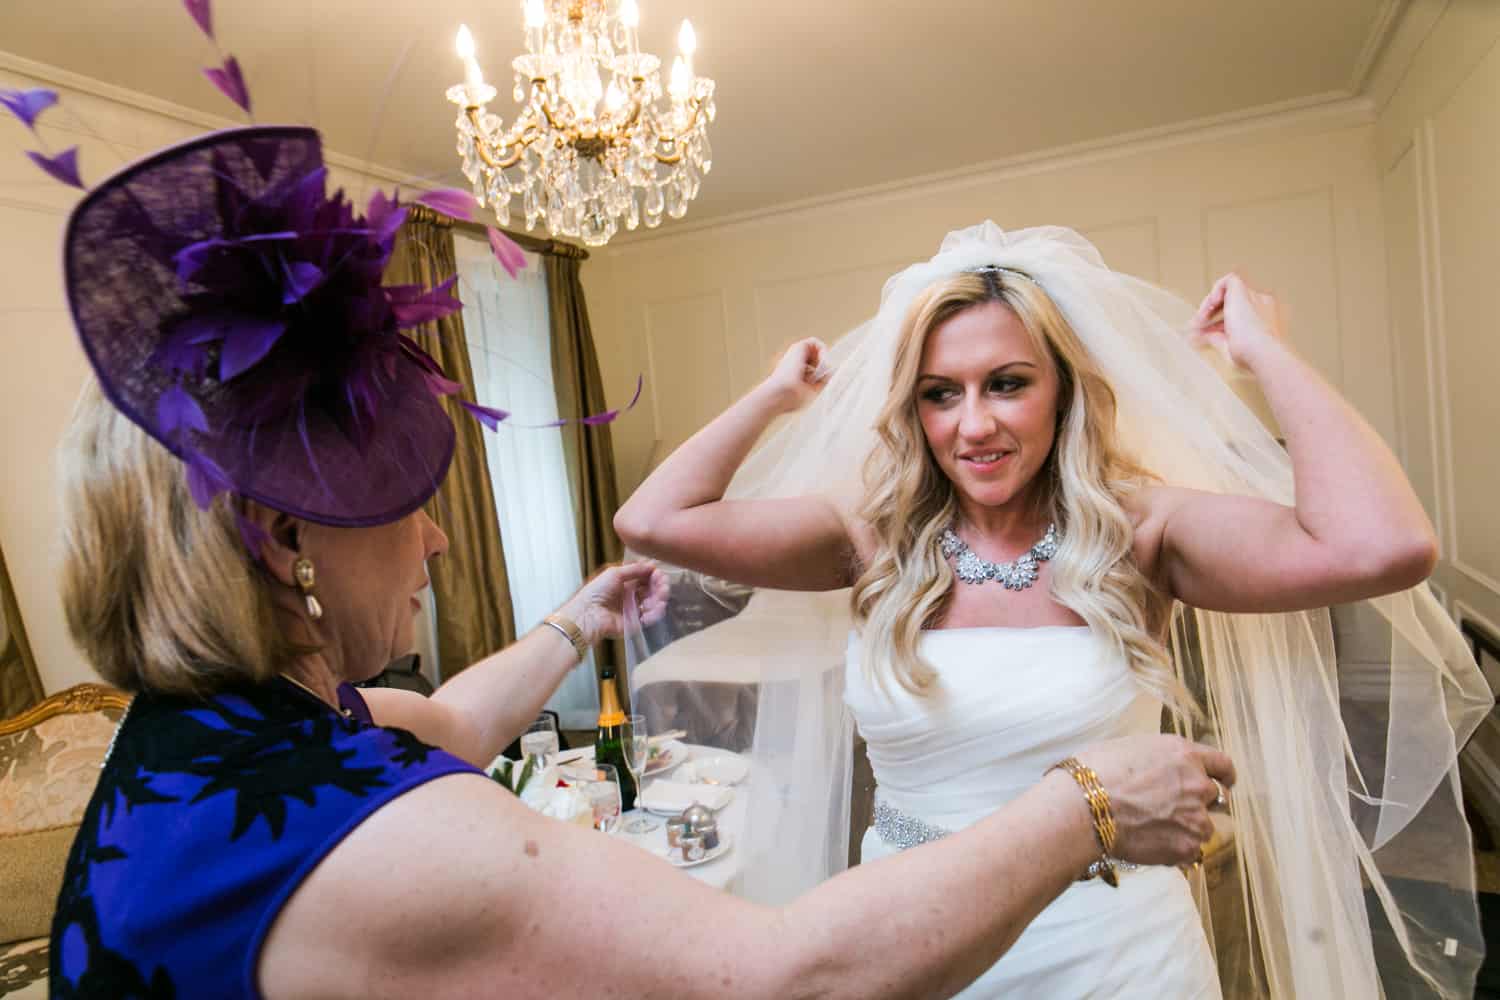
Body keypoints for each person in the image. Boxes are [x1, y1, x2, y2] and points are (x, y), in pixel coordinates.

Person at [41, 127, 1235, 999]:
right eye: (410, 504)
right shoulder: (406, 848)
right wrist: (1085, 805)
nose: (441, 537)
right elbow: (785, 974)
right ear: (281, 539)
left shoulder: (217, 739)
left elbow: (450, 721)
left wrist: (577, 617)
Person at [615, 223, 1492, 997]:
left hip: (1112, 948)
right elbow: (651, 521)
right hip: (910, 938)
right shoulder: (870, 538)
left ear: (1064, 390)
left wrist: (1264, 353)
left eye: (1006, 383)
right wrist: (774, 396)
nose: (973, 425)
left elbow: (1384, 547)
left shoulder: (1143, 531)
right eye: (939, 392)